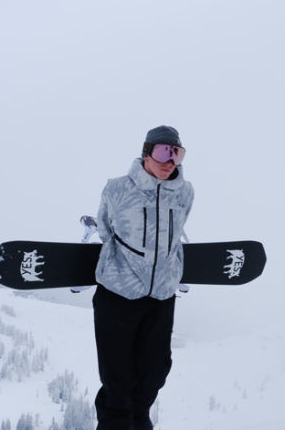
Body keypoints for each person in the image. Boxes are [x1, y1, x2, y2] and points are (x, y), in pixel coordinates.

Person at [93, 125, 194, 430]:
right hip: (119, 292)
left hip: (162, 295)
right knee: (117, 377)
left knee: (155, 372)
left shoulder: (185, 192)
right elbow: (105, 228)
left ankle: (140, 421)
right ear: (146, 152)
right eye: (164, 151)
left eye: (176, 153)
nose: (170, 161)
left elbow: (176, 235)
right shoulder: (118, 188)